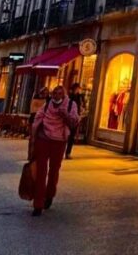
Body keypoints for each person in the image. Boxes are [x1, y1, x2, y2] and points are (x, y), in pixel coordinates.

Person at [29, 84, 80, 217]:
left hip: (59, 142)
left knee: (54, 170)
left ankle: (50, 195)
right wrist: (33, 139)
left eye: (59, 93)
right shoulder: (46, 105)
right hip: (43, 139)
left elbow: (74, 122)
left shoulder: (70, 105)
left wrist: (65, 115)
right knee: (41, 171)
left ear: (63, 95)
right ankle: (38, 204)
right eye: (54, 93)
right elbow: (37, 119)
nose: (56, 95)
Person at [64, 83, 86, 159]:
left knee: (72, 136)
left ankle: (68, 152)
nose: (78, 90)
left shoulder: (80, 97)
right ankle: (63, 151)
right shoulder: (69, 97)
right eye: (78, 88)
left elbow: (82, 106)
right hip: (69, 117)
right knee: (65, 134)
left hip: (76, 118)